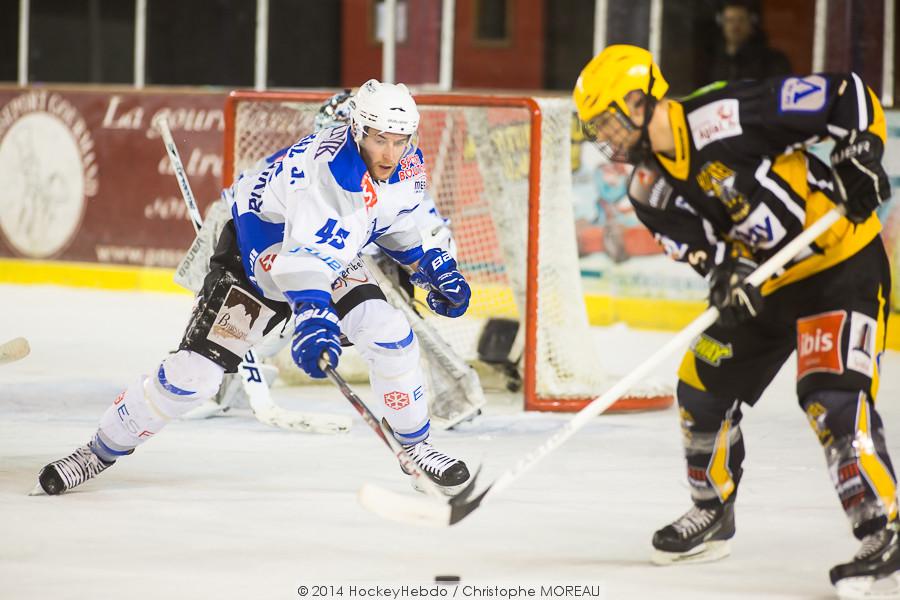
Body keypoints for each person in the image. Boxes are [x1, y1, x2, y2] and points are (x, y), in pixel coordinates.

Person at [34, 79, 473, 496]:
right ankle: (98, 450)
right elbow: (301, 264)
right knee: (193, 377)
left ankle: (416, 449)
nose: (391, 152)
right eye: (380, 140)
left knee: (389, 331)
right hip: (255, 264)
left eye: (400, 140)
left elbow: (388, 219)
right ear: (357, 130)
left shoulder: (405, 162)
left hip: (323, 259)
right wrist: (315, 317)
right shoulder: (326, 179)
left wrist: (427, 265)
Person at [574, 45, 896, 594]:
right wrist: (725, 276)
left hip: (839, 264)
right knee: (701, 389)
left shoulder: (725, 116)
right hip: (768, 285)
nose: (604, 136)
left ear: (638, 101)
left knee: (831, 395)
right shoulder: (648, 190)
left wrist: (860, 151)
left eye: (606, 120)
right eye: (595, 127)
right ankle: (712, 510)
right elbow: (707, 253)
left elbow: (847, 96)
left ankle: (881, 529)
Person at [703, 0, 792, 85]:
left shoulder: (771, 61)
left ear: (751, 24)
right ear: (721, 24)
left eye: (741, 20)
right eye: (730, 20)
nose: (735, 26)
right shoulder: (711, 61)